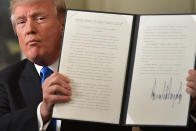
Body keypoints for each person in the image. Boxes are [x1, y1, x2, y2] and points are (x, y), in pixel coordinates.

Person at [0, 0, 131, 131]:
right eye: (21, 22)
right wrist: (42, 112)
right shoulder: (6, 80)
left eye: (40, 19)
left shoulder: (101, 73)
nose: (29, 29)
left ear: (62, 23)